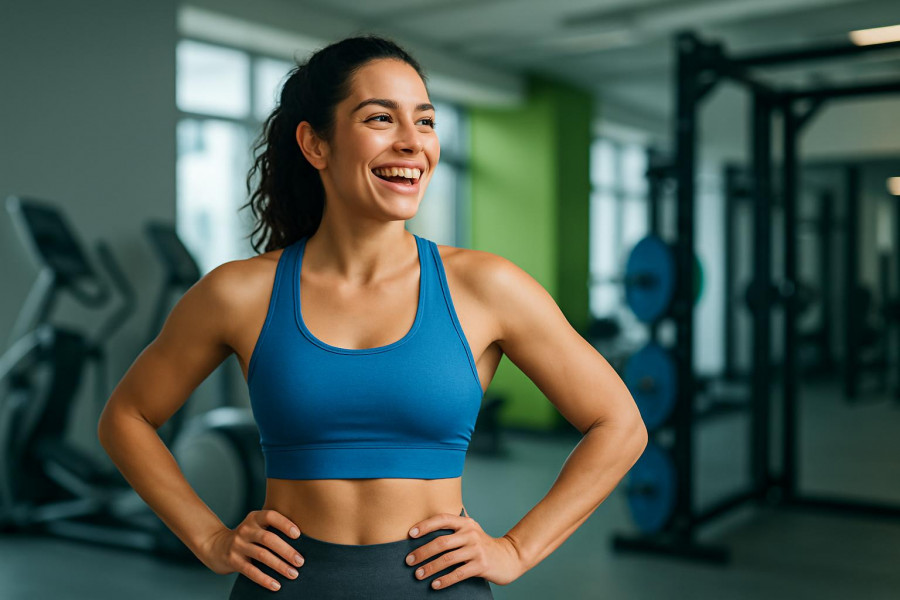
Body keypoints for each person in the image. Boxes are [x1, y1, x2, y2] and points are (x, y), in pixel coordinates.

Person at [97, 35, 648, 598]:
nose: (412, 141)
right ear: (315, 144)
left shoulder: (487, 287)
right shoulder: (238, 292)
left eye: (425, 121)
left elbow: (620, 424)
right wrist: (209, 538)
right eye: (381, 118)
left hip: (437, 589)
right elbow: (126, 417)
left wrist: (516, 549)